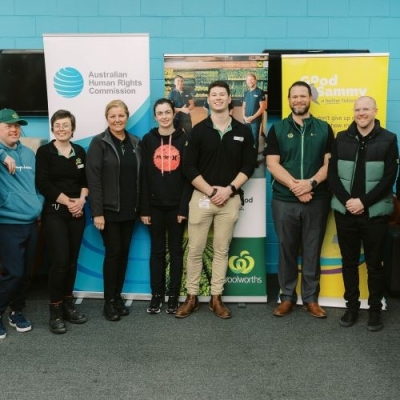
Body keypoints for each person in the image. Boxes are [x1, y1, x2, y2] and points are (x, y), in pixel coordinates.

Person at [175, 80, 256, 319]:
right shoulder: (198, 131)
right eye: (214, 95)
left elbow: (248, 165)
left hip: (229, 199)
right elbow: (188, 168)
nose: (218, 98)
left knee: (222, 250)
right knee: (195, 250)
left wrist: (229, 189)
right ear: (208, 100)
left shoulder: (243, 131)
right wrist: (211, 192)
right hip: (201, 197)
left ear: (230, 99)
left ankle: (216, 298)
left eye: (222, 94)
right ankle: (191, 297)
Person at [327, 96, 399, 332]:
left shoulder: (389, 139)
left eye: (366, 109)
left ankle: (375, 309)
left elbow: (389, 178)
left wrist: (363, 202)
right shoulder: (341, 138)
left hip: (374, 214)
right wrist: (348, 201)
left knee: (374, 265)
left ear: (375, 111)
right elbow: (333, 175)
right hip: (346, 212)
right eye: (357, 109)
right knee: (348, 262)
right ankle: (352, 308)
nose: (361, 113)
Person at [263, 81, 334, 319]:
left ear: (310, 98)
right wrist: (296, 186)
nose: (299, 100)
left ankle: (311, 299)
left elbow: (329, 164)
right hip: (285, 200)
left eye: (303, 96)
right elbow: (272, 163)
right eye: (295, 96)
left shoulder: (325, 128)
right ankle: (287, 298)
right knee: (287, 249)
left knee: (312, 249)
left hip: (317, 198)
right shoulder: (278, 129)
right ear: (289, 99)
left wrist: (311, 183)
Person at [86, 100, 141, 322]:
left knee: (124, 253)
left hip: (130, 209)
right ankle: (109, 302)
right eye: (112, 116)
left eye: (121, 115)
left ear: (127, 117)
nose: (117, 120)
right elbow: (94, 179)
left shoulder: (135, 142)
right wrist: (97, 212)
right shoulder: (99, 143)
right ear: (107, 118)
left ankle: (117, 297)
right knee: (114, 252)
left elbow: (140, 177)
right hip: (108, 211)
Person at [35, 110, 88, 334]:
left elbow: (86, 181)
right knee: (59, 262)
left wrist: (82, 201)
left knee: (72, 261)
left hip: (77, 212)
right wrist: (69, 202)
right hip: (55, 212)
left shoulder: (79, 152)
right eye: (57, 125)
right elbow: (43, 184)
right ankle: (55, 312)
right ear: (53, 127)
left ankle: (68, 306)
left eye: (66, 125)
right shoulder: (45, 151)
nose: (61, 129)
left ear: (72, 128)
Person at [140, 98, 191, 315]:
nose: (164, 116)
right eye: (160, 113)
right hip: (154, 207)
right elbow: (142, 177)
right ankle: (156, 296)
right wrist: (144, 209)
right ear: (155, 116)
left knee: (176, 252)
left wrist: (183, 208)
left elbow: (189, 177)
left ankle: (173, 296)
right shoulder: (148, 140)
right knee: (157, 252)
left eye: (167, 112)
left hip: (176, 207)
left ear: (173, 114)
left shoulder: (184, 139)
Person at [0, 108, 43, 340]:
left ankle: (16, 311)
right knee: (13, 273)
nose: (14, 129)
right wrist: (1, 154)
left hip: (31, 222)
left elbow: (35, 185)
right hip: (7, 224)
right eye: (8, 125)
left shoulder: (28, 153)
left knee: (26, 273)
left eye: (17, 125)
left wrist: (39, 201)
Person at [242, 73, 267, 149]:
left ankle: (254, 158)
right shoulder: (246, 93)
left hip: (255, 121)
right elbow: (243, 107)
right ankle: (248, 156)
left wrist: (253, 117)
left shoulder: (260, 92)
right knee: (246, 138)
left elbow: (263, 107)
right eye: (248, 80)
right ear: (246, 81)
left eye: (251, 79)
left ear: (255, 80)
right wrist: (244, 117)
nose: (250, 81)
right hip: (246, 120)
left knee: (254, 140)